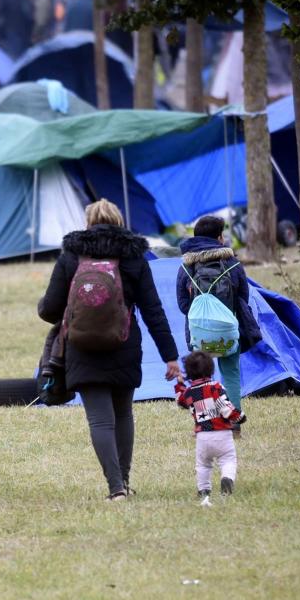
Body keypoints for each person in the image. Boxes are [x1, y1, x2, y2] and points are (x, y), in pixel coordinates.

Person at [38, 199, 180, 501]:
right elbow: (153, 310)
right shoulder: (134, 256)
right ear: (119, 221)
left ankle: (115, 488)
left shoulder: (71, 256)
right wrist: (170, 355)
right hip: (124, 344)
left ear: (88, 222)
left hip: (81, 346)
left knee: (99, 420)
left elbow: (50, 309)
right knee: (123, 414)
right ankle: (125, 481)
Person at [176, 215, 262, 417]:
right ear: (219, 238)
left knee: (201, 378)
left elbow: (182, 305)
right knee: (230, 373)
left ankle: (208, 419)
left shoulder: (186, 268)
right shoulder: (233, 264)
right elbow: (243, 298)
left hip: (199, 335)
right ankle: (233, 420)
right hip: (228, 332)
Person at [175, 351, 243, 507]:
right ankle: (226, 478)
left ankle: (203, 490)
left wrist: (179, 384)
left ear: (188, 373)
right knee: (228, 460)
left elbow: (180, 401)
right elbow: (226, 407)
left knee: (203, 465)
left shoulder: (189, 392)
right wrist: (239, 417)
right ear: (212, 370)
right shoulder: (216, 387)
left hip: (202, 437)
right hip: (223, 434)